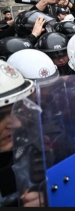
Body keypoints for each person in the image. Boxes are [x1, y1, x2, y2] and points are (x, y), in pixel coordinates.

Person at [0, 60, 37, 207]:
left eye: (17, 110)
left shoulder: (34, 149)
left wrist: (52, 195)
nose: (17, 123)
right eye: (0, 116)